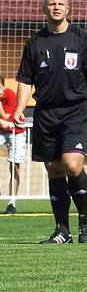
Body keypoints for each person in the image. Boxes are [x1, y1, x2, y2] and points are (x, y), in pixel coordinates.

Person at [13, 0, 87, 244]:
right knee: (53, 168)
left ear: (68, 9)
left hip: (76, 110)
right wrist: (18, 109)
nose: (56, 8)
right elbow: (24, 80)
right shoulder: (35, 42)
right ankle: (62, 230)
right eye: (51, 4)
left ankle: (85, 220)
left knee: (72, 164)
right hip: (46, 112)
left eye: (60, 4)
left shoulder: (82, 39)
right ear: (44, 10)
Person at [1, 75, 27, 214]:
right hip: (1, 131)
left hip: (15, 131)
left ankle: (12, 202)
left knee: (14, 165)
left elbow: (6, 117)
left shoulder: (10, 95)